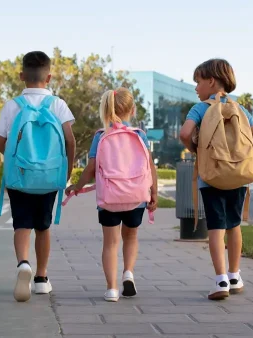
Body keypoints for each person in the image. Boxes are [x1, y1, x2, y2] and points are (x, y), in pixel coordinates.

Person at [179, 59, 253, 300]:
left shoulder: (200, 109)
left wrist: (196, 149)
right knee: (234, 225)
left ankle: (220, 281)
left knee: (216, 228)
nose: (196, 88)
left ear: (211, 81)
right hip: (238, 177)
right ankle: (235, 276)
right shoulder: (242, 110)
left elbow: (185, 133)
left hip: (212, 176)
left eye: (197, 82)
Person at [0, 51, 76, 302]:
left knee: (22, 224)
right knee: (43, 226)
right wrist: (67, 170)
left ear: (22, 76)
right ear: (49, 77)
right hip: (49, 177)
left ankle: (23, 264)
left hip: (20, 177)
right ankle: (41, 278)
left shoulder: (12, 106)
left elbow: (0, 143)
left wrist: (16, 159)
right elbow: (69, 141)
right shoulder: (58, 105)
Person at [66, 88, 158, 302]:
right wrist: (153, 192)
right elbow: (150, 166)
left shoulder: (101, 136)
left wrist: (77, 187)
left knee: (110, 243)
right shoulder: (139, 135)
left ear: (106, 109)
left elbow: (90, 168)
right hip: (135, 197)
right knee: (131, 237)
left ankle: (112, 289)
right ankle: (128, 273)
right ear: (133, 110)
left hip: (109, 198)